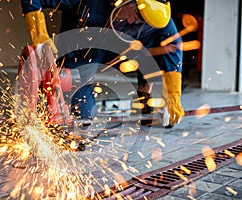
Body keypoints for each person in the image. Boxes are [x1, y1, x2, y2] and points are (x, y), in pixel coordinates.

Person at [20, 0, 184, 126]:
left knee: (159, 51)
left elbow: (174, 46)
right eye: (136, 15)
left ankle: (147, 102)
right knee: (83, 120)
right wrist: (39, 33)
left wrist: (173, 96)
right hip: (82, 52)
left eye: (142, 21)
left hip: (118, 53)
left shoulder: (154, 14)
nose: (133, 21)